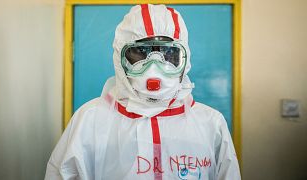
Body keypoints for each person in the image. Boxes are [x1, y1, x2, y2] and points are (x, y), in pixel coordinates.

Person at [45, 4, 241, 180]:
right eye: (140, 53)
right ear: (120, 59)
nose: (154, 68)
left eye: (169, 54)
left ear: (185, 60)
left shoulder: (211, 124)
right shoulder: (90, 121)